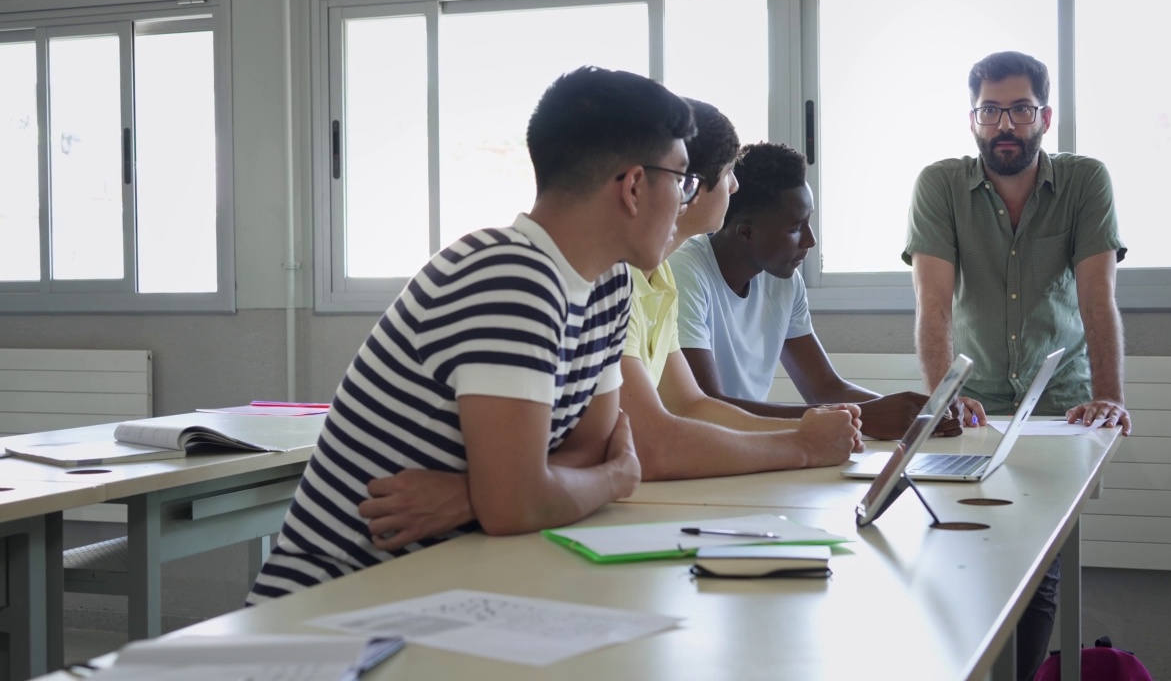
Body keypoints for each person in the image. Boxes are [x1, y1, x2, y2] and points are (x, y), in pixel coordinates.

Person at [247, 66, 695, 603]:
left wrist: (476, 496)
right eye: (682, 178)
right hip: (333, 608)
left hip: (447, 585)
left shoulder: (609, 286)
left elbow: (586, 453)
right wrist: (615, 479)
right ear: (635, 186)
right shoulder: (509, 276)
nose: (686, 201)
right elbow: (552, 491)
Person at [903, 50, 1132, 681]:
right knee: (957, 552)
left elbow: (1096, 296)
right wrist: (943, 395)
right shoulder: (939, 184)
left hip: (1060, 405)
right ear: (972, 119)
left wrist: (1110, 397)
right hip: (973, 404)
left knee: (1038, 569)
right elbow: (932, 302)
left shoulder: (1085, 181)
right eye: (992, 111)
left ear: (1045, 116)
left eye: (1021, 110)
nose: (1006, 125)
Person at [621, 98, 860, 480]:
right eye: (730, 171)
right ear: (688, 185)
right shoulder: (624, 281)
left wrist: (812, 430)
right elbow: (657, 444)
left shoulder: (659, 277)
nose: (734, 185)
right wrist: (803, 444)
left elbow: (693, 405)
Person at [668, 141, 955, 440]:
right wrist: (862, 417)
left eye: (809, 222)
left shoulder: (784, 281)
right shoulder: (684, 272)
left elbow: (825, 388)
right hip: (701, 446)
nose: (810, 240)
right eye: (796, 227)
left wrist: (920, 414)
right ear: (746, 233)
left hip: (749, 444)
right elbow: (706, 405)